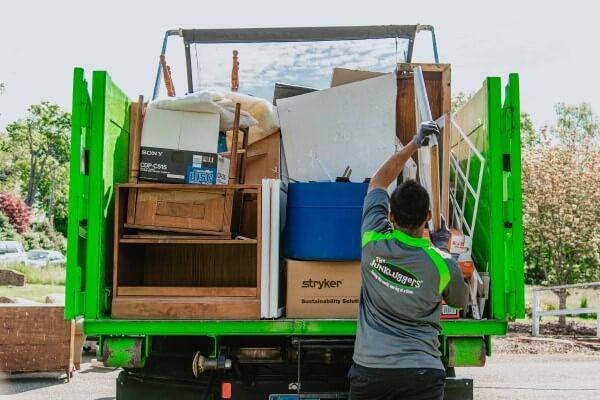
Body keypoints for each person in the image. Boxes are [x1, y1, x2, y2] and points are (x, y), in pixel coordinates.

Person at [348, 120, 470, 400]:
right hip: (422, 373)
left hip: (372, 371)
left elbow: (379, 180)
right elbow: (459, 302)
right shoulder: (442, 264)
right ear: (428, 217)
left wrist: (415, 142)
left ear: (390, 216)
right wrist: (445, 253)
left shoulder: (373, 241)